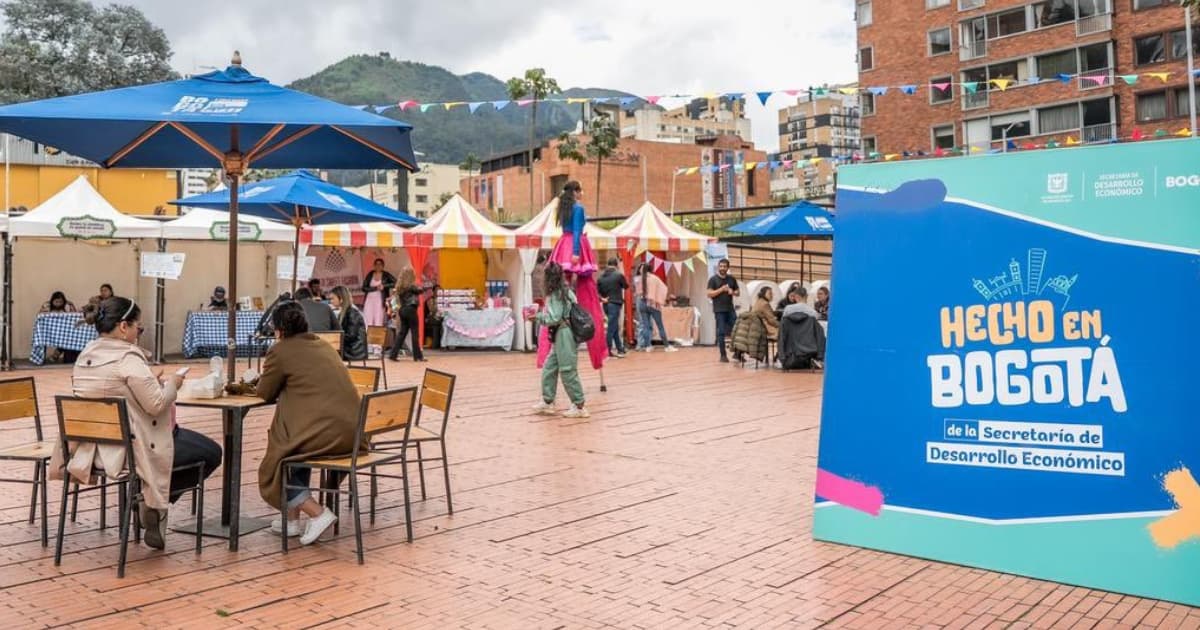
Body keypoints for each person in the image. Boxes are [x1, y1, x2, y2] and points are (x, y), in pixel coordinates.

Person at [50, 297, 221, 550]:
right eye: (138, 328)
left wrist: (148, 380)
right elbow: (156, 405)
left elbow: (109, 390)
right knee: (212, 452)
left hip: (88, 450)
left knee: (183, 444)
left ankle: (150, 499)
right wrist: (173, 384)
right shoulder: (128, 358)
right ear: (123, 326)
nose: (139, 333)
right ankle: (153, 502)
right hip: (130, 451)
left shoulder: (85, 355)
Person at [256, 302, 363, 544]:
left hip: (324, 435)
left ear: (279, 329)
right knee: (293, 441)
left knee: (279, 458)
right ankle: (291, 520)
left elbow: (264, 392)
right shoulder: (323, 344)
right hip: (352, 434)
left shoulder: (280, 351)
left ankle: (317, 513)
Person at [537, 180, 607, 372]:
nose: (582, 193)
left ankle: (546, 350)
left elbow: (569, 230)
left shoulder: (563, 208)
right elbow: (577, 231)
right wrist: (576, 252)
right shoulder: (578, 208)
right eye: (580, 190)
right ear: (576, 191)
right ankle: (595, 349)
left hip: (562, 245)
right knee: (586, 290)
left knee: (557, 289)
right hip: (574, 246)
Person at [529, 263, 588, 418]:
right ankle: (547, 400)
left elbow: (554, 318)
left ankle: (579, 405)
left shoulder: (556, 294)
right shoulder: (566, 291)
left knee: (568, 370)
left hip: (564, 333)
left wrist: (537, 317)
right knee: (549, 367)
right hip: (565, 333)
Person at [633, 263, 676, 353]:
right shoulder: (654, 278)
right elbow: (663, 289)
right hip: (653, 304)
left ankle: (648, 346)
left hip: (642, 304)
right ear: (650, 269)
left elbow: (636, 292)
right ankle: (667, 346)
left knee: (645, 326)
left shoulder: (637, 279)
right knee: (660, 326)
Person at [388, 267, 426, 362]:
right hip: (411, 309)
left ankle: (393, 355)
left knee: (402, 334)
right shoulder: (411, 286)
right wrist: (425, 282)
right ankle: (418, 356)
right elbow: (421, 290)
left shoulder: (400, 287)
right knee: (415, 333)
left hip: (403, 310)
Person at [707, 259, 740, 363]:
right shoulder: (713, 279)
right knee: (721, 332)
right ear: (718, 267)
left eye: (724, 266)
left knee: (737, 330)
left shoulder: (732, 279)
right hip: (719, 310)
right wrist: (721, 289)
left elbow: (738, 292)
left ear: (728, 268)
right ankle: (723, 355)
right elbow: (709, 294)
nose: (722, 268)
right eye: (721, 266)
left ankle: (737, 354)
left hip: (730, 309)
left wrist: (732, 292)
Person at [596, 258, 629, 358]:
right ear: (616, 265)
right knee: (611, 328)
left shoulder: (600, 277)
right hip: (615, 303)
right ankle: (607, 350)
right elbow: (626, 286)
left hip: (606, 304)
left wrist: (602, 299)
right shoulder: (618, 275)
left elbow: (596, 292)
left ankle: (620, 348)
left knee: (614, 326)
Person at [329, 285, 367, 361]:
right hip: (348, 349)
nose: (331, 301)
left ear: (341, 299)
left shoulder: (352, 313)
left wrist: (334, 338)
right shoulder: (344, 312)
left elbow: (351, 336)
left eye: (333, 298)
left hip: (354, 352)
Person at [360, 258, 396, 328]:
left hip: (380, 300)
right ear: (374, 266)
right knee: (368, 317)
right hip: (369, 300)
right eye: (376, 264)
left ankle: (378, 333)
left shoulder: (386, 275)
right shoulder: (370, 274)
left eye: (380, 264)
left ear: (383, 266)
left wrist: (384, 286)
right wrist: (375, 288)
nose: (378, 266)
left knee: (378, 318)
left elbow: (396, 283)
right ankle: (368, 333)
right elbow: (364, 288)